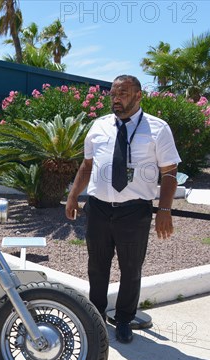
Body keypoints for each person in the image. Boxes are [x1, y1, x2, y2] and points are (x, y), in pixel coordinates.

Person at [65, 75, 181, 344]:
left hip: (134, 211)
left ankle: (125, 319)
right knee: (97, 266)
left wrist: (165, 209)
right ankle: (95, 314)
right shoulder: (99, 126)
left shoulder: (158, 129)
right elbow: (87, 165)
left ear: (139, 96)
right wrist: (73, 196)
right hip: (99, 209)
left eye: (124, 94)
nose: (117, 99)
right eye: (113, 95)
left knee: (131, 268)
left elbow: (170, 172)